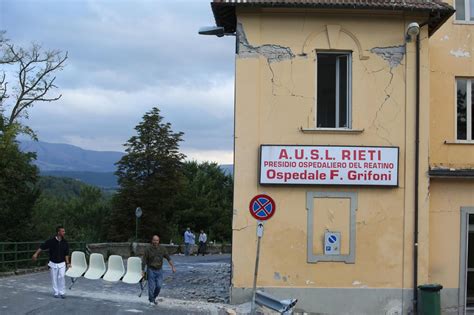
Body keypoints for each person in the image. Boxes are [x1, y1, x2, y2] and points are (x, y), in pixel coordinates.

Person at [32, 226, 70, 299]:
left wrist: (68, 263)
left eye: (64, 231)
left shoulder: (65, 242)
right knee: (54, 278)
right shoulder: (51, 241)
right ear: (58, 232)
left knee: (61, 277)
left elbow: (66, 254)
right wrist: (36, 254)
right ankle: (56, 292)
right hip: (53, 263)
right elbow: (42, 247)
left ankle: (62, 292)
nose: (64, 233)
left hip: (62, 263)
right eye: (62, 231)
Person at [142, 235, 176, 305]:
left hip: (159, 270)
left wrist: (173, 267)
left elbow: (168, 258)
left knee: (159, 286)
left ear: (159, 241)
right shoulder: (148, 249)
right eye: (154, 240)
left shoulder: (162, 249)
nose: (155, 242)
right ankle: (151, 301)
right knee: (151, 286)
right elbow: (144, 260)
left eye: (157, 240)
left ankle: (153, 298)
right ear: (152, 241)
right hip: (150, 269)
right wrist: (142, 270)